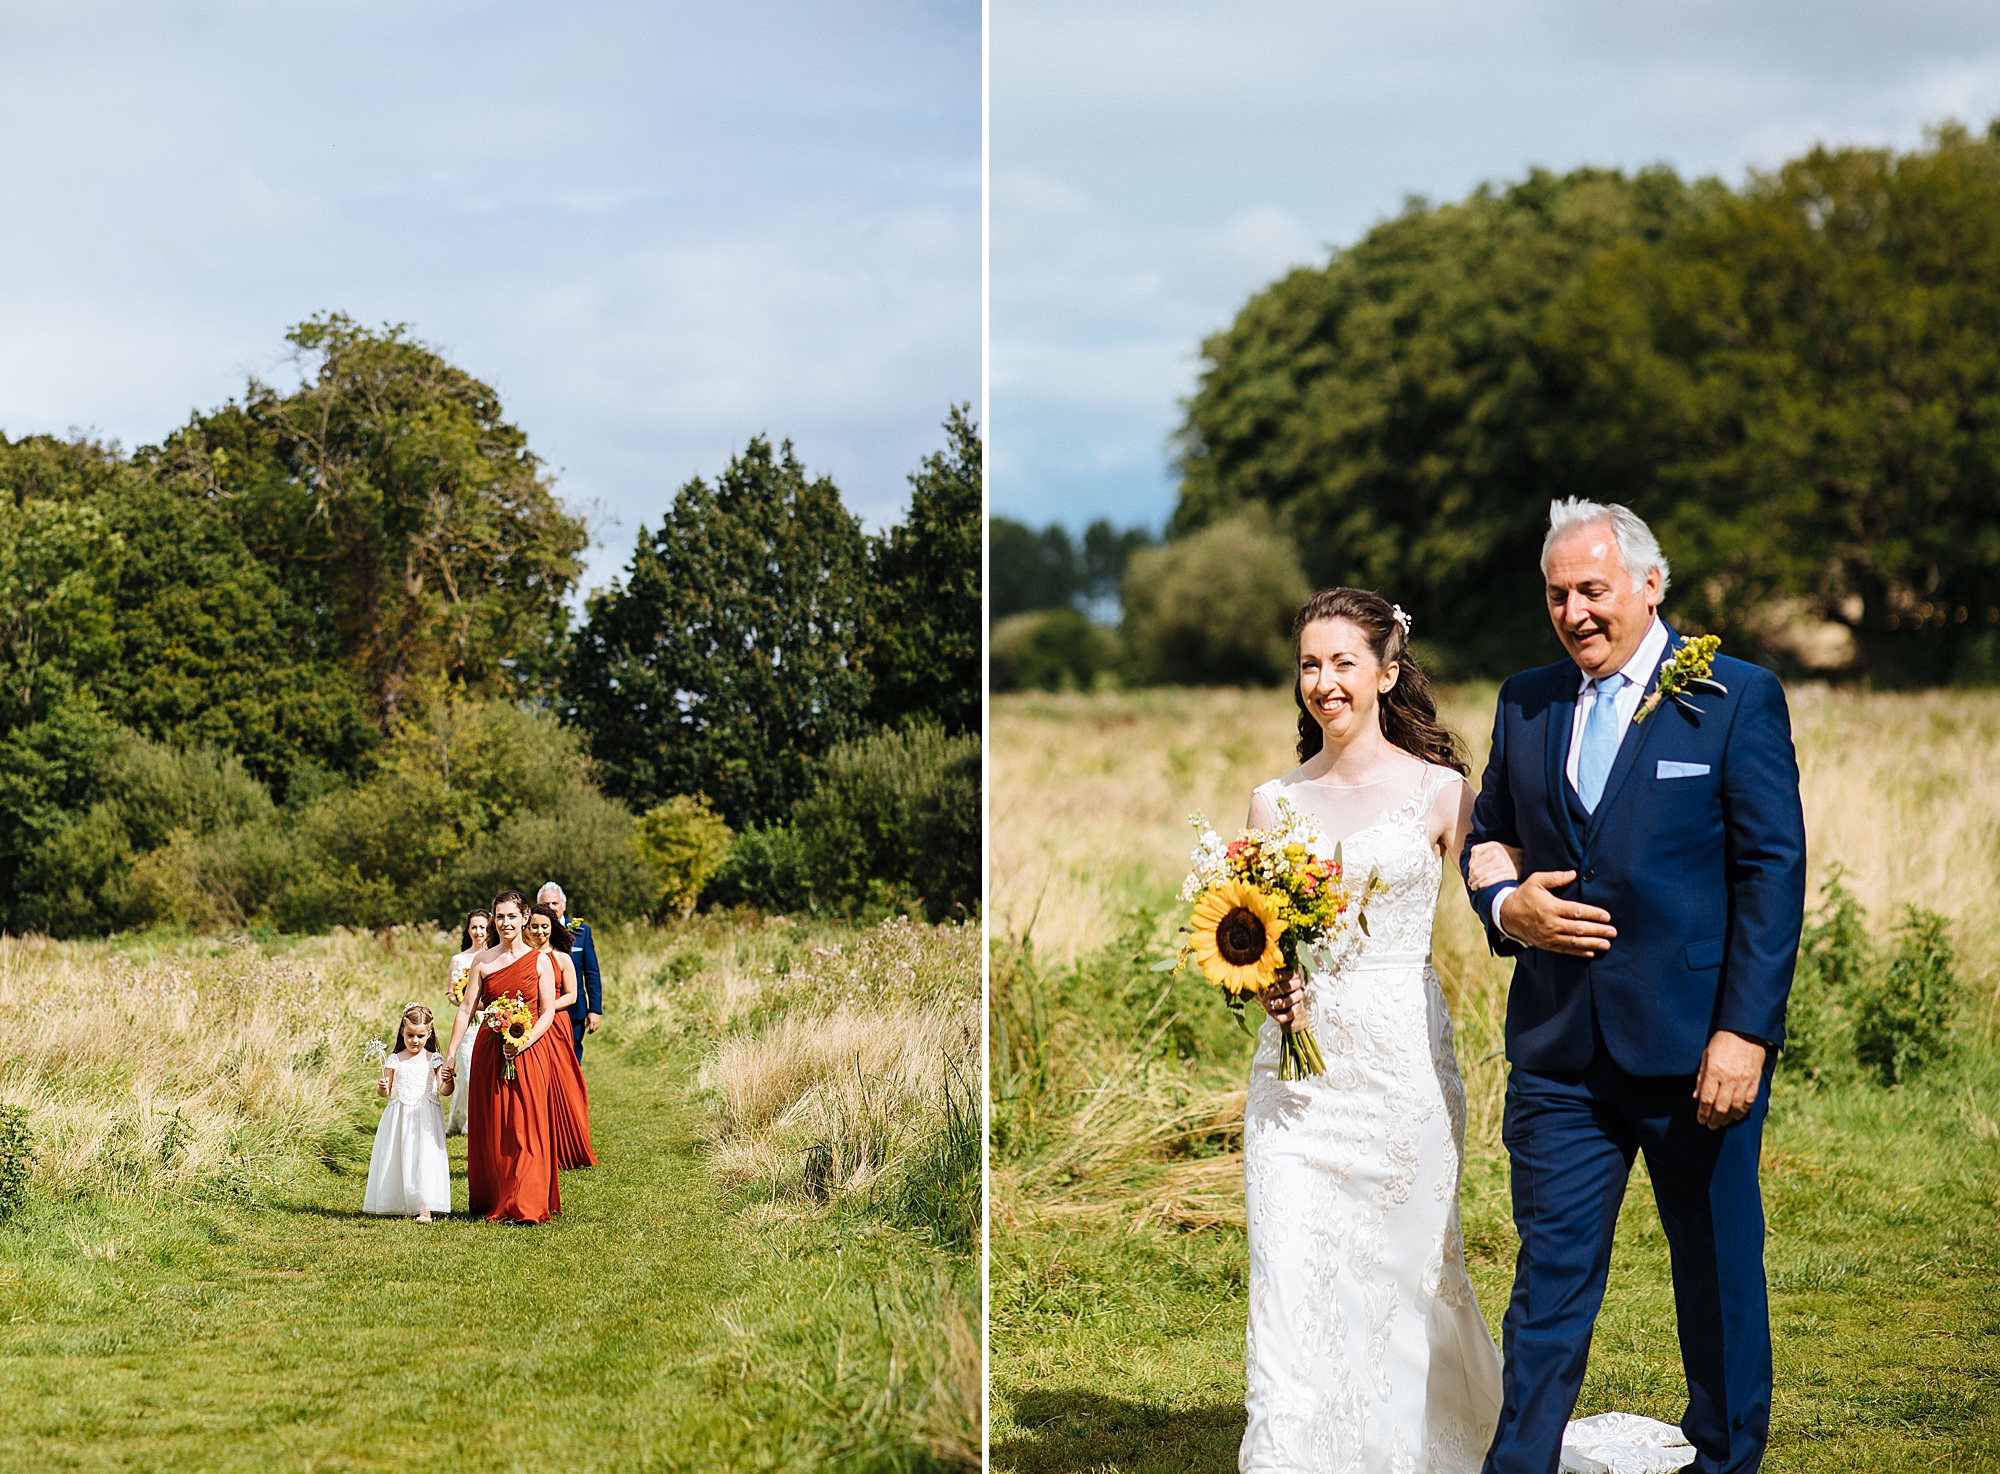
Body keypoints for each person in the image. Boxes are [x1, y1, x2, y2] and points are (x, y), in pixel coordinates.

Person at [1461, 498, 1806, 1474]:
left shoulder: (1732, 697)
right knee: (1547, 1282)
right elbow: (1486, 834)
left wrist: (1742, 1032)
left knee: (1713, 1274)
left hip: (1695, 1047)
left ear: (1648, 587)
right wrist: (1503, 907)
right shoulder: (1523, 700)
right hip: (1559, 1053)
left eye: (1591, 590)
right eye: (1556, 593)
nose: (1572, 611)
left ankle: (1725, 1459)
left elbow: (1770, 871)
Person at [1238, 587, 1503, 1473]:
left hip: (1401, 1066)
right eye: (1310, 664)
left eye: (1343, 662)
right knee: (1289, 1267)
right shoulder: (1272, 804)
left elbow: (1500, 905)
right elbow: (1251, 936)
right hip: (1296, 1082)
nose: (1324, 682)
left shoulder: (1441, 793)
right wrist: (1268, 983)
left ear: (1387, 673)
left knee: (1405, 1275)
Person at [442, 890, 563, 1224]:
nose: (505, 923)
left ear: (524, 917)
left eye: (512, 916)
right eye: (500, 917)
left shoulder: (542, 961)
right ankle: (497, 1195)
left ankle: (527, 1200)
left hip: (530, 1051)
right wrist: (450, 1055)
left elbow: (548, 1012)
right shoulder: (483, 960)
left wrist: (523, 1042)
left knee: (527, 1125)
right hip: (489, 1051)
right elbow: (467, 1008)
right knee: (495, 1125)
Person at [362, 1003, 452, 1222]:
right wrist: (382, 1087)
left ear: (429, 1033)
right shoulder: (394, 1060)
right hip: (400, 1118)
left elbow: (444, 1091)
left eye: (420, 1036)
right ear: (402, 1031)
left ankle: (424, 1207)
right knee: (402, 1157)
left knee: (425, 1159)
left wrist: (449, 1081)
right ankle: (405, 1203)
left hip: (426, 1120)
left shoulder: (434, 1060)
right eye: (410, 1035)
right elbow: (385, 1091)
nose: (414, 1040)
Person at [527, 902, 597, 1169]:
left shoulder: (563, 957)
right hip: (530, 1022)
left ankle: (568, 1144)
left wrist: (545, 1006)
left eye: (545, 926)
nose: (540, 931)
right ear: (528, 928)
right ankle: (539, 1144)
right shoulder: (525, 957)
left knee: (562, 1078)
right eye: (535, 926)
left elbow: (571, 994)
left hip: (556, 1022)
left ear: (552, 927)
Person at [537, 882, 602, 1060]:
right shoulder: (531, 934)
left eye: (554, 903)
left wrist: (594, 1010)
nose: (550, 908)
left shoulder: (582, 932)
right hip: (538, 1010)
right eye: (545, 904)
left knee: (571, 1059)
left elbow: (592, 973)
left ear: (563, 905)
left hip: (574, 1009)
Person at [444, 909, 490, 1137]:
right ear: (468, 929)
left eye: (482, 927)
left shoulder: (494, 957)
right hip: (467, 1024)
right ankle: (460, 1120)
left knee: (484, 1074)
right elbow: (451, 994)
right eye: (474, 927)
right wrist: (462, 1001)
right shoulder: (458, 960)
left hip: (489, 1020)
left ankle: (479, 1122)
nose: (478, 932)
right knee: (465, 1074)